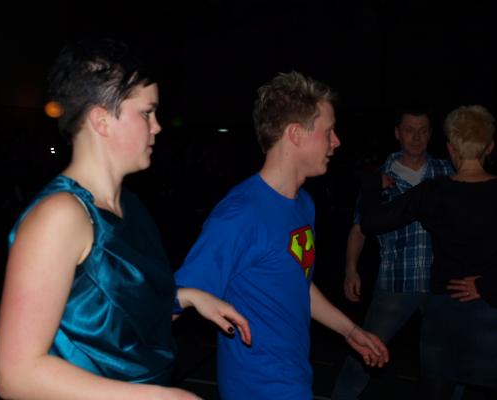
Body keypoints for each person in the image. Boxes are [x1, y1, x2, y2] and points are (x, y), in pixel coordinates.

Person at [0, 37, 251, 400]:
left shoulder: (129, 206)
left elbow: (114, 318)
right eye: (147, 113)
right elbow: (16, 376)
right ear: (102, 120)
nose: (157, 126)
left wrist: (186, 298)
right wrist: (162, 397)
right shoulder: (60, 216)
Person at [174, 71, 389, 400]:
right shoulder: (240, 215)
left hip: (295, 374)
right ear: (295, 134)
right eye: (328, 132)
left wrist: (349, 330)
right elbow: (173, 298)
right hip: (259, 387)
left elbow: (297, 282)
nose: (336, 142)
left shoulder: (303, 204)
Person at [359, 104, 497, 399]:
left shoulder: (434, 192)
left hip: (446, 311)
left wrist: (372, 186)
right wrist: (487, 285)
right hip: (490, 309)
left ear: (451, 148)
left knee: (437, 390)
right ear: (490, 147)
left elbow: (371, 222)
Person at [332, 107, 454, 400]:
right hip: (396, 281)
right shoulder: (378, 178)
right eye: (409, 130)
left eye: (423, 130)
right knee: (365, 351)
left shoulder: (447, 171)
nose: (416, 137)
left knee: (449, 361)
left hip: (441, 284)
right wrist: (351, 269)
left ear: (431, 134)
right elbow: (359, 228)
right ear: (397, 133)